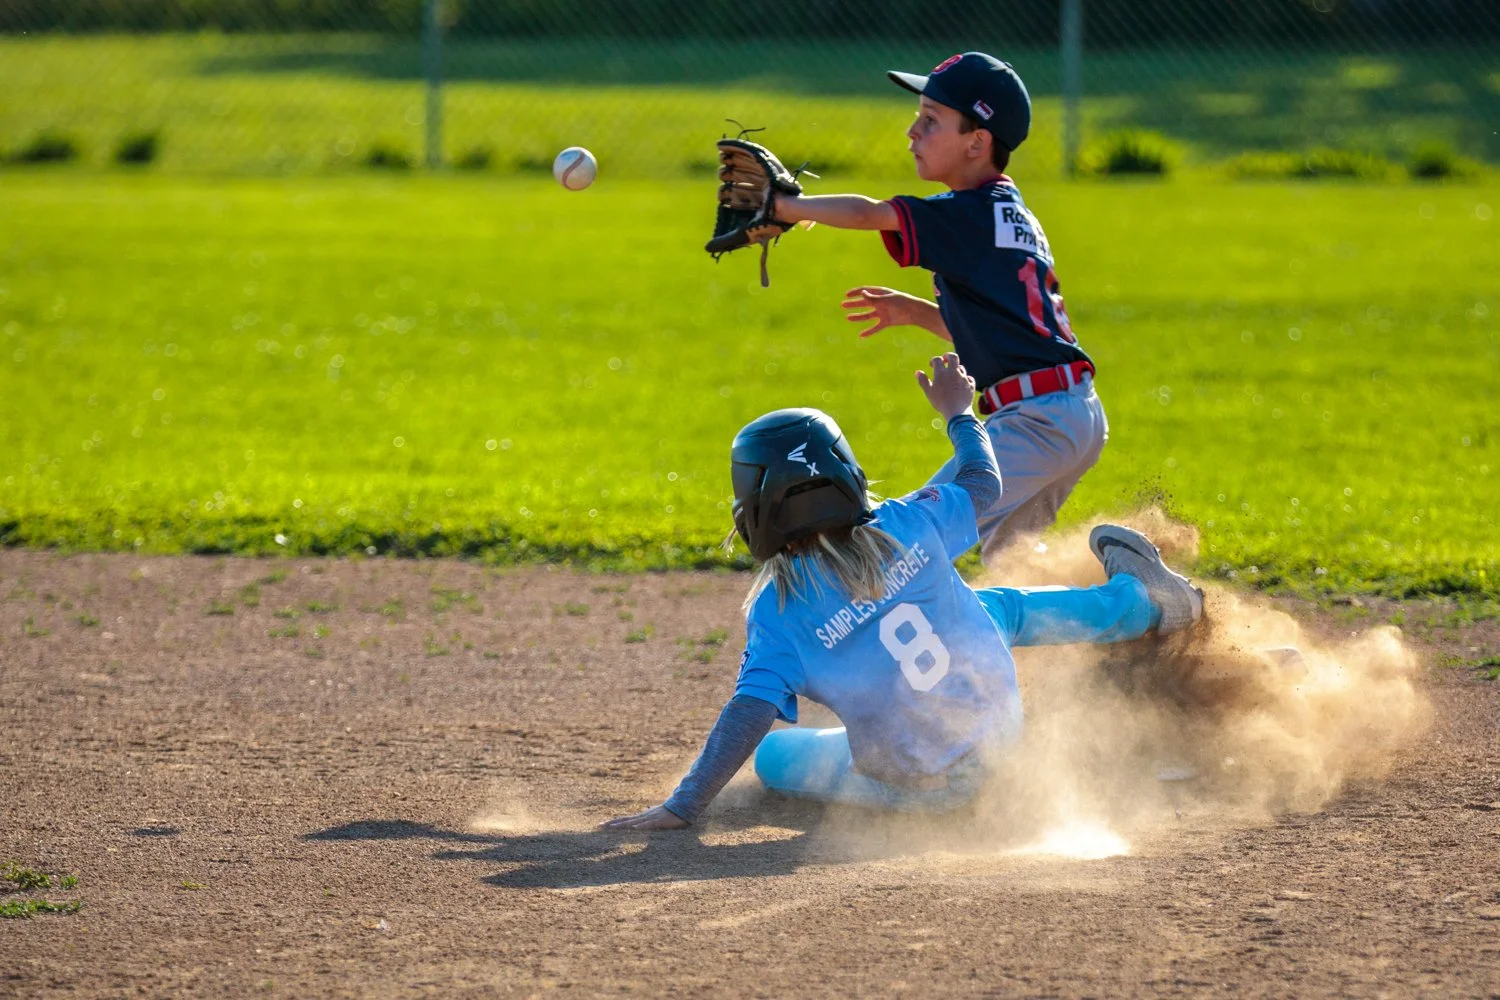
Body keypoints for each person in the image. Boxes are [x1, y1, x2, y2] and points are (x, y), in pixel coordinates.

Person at [602, 354, 1201, 832]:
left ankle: (1079, 704)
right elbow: (981, 480)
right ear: (850, 478)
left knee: (772, 758)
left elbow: (749, 713)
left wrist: (684, 805)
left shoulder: (777, 613)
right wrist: (960, 413)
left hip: (931, 793)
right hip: (1002, 734)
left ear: (752, 512)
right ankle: (1144, 605)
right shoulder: (907, 523)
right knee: (996, 610)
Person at [771, 52, 1105, 564]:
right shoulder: (1007, 212)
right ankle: (1139, 606)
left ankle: (1140, 597)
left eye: (931, 120)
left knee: (914, 534)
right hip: (1067, 412)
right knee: (1014, 563)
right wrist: (920, 313)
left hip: (1034, 423)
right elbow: (1008, 334)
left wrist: (785, 208)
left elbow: (871, 213)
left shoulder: (970, 214)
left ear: (978, 142)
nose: (912, 131)